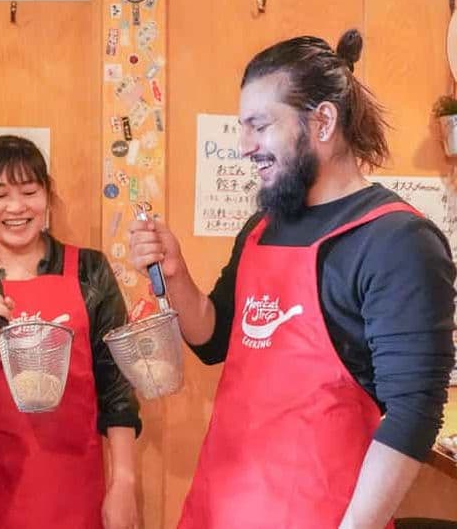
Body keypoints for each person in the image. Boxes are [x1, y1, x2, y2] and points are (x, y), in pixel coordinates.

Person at [129, 30, 456, 529]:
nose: (245, 147)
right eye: (242, 128)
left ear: (322, 121)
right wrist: (175, 274)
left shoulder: (398, 241)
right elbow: (212, 337)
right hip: (221, 506)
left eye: (259, 126)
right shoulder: (261, 228)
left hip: (323, 514)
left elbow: (413, 412)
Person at [0, 135, 142, 529]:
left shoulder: (90, 271)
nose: (16, 207)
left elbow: (117, 387)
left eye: (29, 191)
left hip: (73, 490)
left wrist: (124, 482)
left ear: (47, 195)